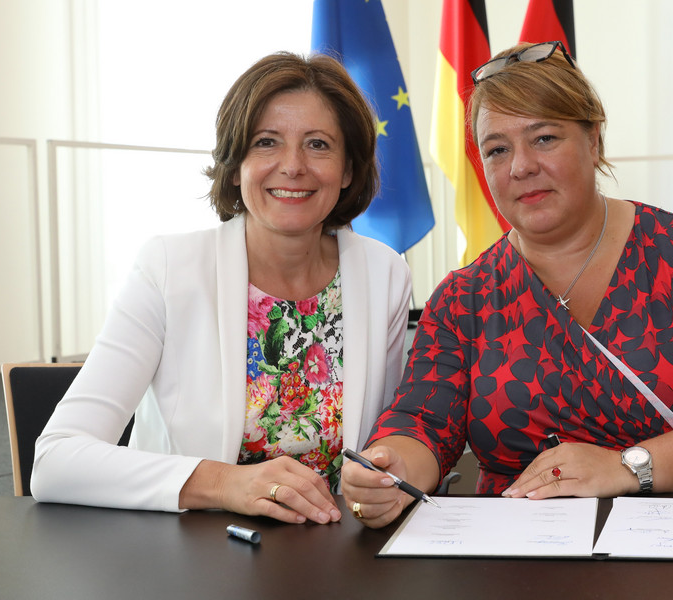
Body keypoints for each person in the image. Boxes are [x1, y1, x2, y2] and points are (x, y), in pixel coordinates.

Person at [342, 41, 673, 528]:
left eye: (543, 138)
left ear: (593, 140)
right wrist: (389, 469)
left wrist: (627, 467)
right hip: (523, 550)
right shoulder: (463, 298)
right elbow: (423, 422)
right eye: (497, 150)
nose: (520, 166)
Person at [31, 51, 412, 525]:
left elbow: (387, 439)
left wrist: (384, 473)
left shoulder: (384, 273)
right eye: (266, 142)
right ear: (235, 166)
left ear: (349, 169)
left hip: (334, 547)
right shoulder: (168, 268)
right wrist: (225, 483)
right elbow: (55, 460)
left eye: (318, 145)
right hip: (193, 548)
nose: (293, 166)